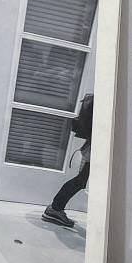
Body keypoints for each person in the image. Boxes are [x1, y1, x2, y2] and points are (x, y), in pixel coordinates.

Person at [42, 91, 93, 229]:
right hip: (97, 149)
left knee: (81, 181)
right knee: (81, 181)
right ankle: (55, 208)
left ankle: (55, 208)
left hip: (93, 147)